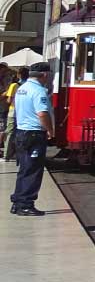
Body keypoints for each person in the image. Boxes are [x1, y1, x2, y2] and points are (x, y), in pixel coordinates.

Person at [9, 62, 54, 217]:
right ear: (45, 75)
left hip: (21, 132)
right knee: (33, 171)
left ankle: (17, 201)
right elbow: (42, 114)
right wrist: (50, 130)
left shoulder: (21, 89)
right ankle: (26, 204)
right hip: (34, 134)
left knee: (24, 169)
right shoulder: (39, 91)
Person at [3, 66, 27, 160]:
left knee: (10, 133)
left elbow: (9, 100)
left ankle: (6, 155)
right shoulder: (28, 85)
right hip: (24, 112)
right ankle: (19, 154)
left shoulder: (14, 85)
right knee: (21, 133)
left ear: (18, 75)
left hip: (13, 111)